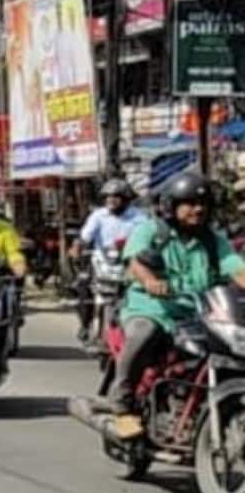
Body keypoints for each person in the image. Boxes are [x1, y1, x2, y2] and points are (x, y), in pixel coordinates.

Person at [98, 169, 245, 439]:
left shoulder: (214, 241)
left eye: (203, 204)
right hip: (152, 308)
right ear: (171, 206)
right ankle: (122, 403)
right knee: (143, 333)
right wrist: (151, 281)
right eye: (189, 203)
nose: (197, 209)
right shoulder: (151, 230)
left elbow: (237, 269)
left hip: (199, 313)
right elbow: (135, 262)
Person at [75, 178, 144, 345]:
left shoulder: (139, 217)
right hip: (102, 262)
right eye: (108, 196)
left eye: (116, 196)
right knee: (83, 286)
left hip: (130, 263)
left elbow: (148, 235)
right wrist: (78, 246)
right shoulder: (98, 215)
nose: (111, 200)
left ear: (127, 199)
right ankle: (85, 325)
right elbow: (85, 236)